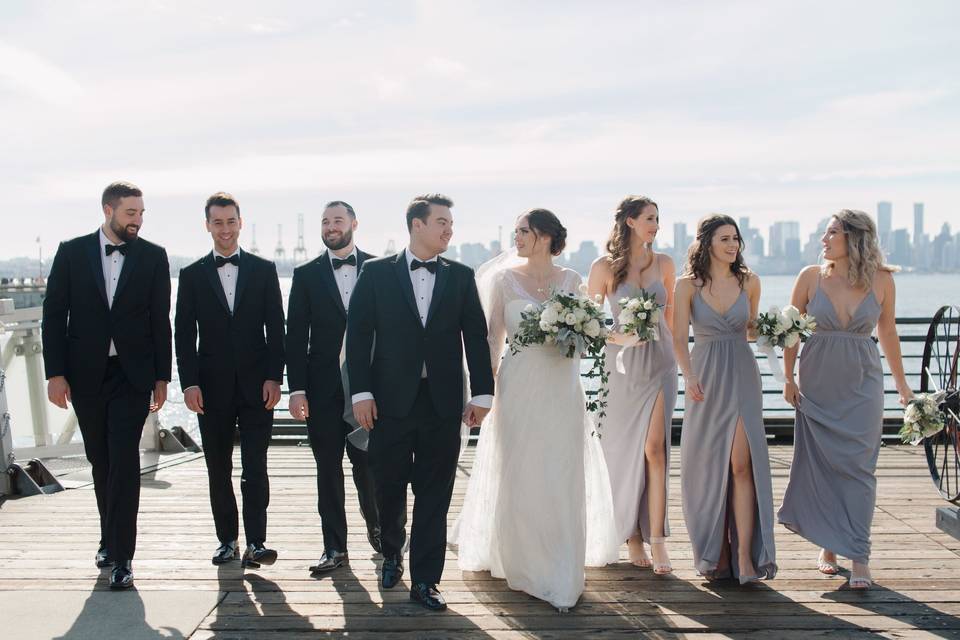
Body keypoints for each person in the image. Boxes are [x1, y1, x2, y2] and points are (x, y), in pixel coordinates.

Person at [455, 209, 620, 611]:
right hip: (518, 384)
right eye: (516, 231)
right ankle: (522, 560)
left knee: (561, 469)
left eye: (524, 231)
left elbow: (589, 333)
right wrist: (483, 395)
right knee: (522, 469)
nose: (518, 238)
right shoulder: (503, 280)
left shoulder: (572, 281)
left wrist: (593, 334)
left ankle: (561, 563)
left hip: (562, 386)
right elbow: (493, 339)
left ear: (546, 236)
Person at [346, 194, 495, 611]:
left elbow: (476, 339)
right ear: (417, 225)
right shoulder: (375, 274)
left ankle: (426, 580)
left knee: (435, 494)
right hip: (388, 403)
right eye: (442, 222)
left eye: (450, 222)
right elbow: (357, 336)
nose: (449, 229)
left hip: (444, 404)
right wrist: (361, 393)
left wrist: (482, 393)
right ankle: (391, 552)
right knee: (389, 487)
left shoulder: (462, 276)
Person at [42, 181, 171, 590]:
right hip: (85, 375)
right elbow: (54, 315)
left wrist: (162, 377)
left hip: (132, 377)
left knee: (125, 461)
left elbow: (159, 320)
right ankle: (107, 536)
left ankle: (123, 557)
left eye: (142, 213)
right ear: (108, 210)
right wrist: (55, 373)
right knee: (102, 462)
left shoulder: (153, 257)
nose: (138, 220)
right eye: (131, 213)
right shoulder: (71, 252)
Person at [778, 210, 913, 590]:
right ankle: (829, 547)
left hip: (862, 383)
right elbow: (791, 331)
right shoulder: (809, 276)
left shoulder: (882, 280)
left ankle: (859, 555)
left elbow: (888, 332)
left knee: (859, 469)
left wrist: (902, 386)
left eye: (832, 232)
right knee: (821, 465)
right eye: (825, 232)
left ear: (854, 237)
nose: (824, 239)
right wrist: (787, 378)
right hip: (817, 382)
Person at [174, 192, 285, 569]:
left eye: (231, 221)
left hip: (258, 388)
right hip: (211, 389)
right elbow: (184, 334)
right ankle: (227, 541)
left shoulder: (264, 269)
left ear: (241, 223)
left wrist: (275, 376)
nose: (225, 229)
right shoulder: (190, 276)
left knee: (256, 466)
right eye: (217, 222)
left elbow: (277, 331)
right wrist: (189, 383)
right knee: (217, 467)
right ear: (207, 225)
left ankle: (256, 542)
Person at [673, 214, 777, 584]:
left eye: (736, 238)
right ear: (707, 244)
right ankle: (717, 551)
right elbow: (677, 337)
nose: (733, 245)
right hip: (706, 377)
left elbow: (751, 329)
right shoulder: (686, 286)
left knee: (741, 465)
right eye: (724, 239)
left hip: (742, 373)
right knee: (710, 466)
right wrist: (689, 376)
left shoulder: (750, 282)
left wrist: (775, 330)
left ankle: (746, 556)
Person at [286, 200, 380, 574]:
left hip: (366, 390)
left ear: (354, 223)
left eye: (337, 220)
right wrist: (296, 390)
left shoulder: (379, 269)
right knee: (327, 469)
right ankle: (334, 548)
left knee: (368, 468)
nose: (330, 227)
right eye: (325, 222)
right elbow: (295, 336)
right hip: (321, 389)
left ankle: (378, 528)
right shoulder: (306, 274)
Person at [587, 196, 677, 574]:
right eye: (649, 218)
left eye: (657, 218)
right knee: (621, 453)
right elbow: (587, 325)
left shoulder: (666, 264)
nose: (656, 225)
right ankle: (630, 534)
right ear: (629, 221)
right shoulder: (603, 267)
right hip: (620, 368)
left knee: (656, 450)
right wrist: (620, 338)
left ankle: (656, 539)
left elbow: (670, 316)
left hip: (660, 363)